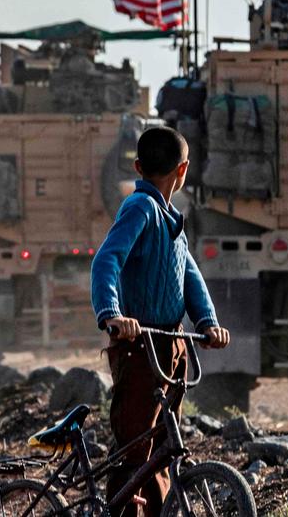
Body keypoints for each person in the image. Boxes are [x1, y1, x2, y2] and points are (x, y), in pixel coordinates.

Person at [91, 127, 231, 517]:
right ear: (183, 170)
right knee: (135, 447)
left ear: (138, 166)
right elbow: (106, 260)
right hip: (139, 344)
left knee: (164, 446)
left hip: (172, 344)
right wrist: (112, 314)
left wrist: (208, 322)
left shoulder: (171, 219)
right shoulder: (140, 208)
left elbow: (190, 276)